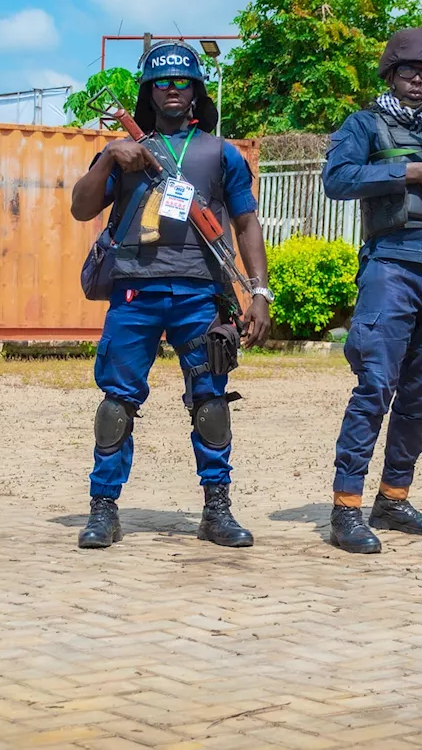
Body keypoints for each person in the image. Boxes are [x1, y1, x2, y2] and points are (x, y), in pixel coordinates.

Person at [68, 40, 271, 550]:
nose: (173, 90)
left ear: (197, 89)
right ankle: (103, 508)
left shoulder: (221, 153)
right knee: (116, 403)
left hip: (201, 292)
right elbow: (80, 207)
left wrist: (260, 291)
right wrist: (109, 158)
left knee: (211, 402)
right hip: (135, 289)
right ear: (147, 91)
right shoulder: (126, 150)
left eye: (183, 81)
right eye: (162, 82)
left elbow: (246, 222)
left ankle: (217, 508)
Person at [321, 27, 422, 554]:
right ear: (390, 74)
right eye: (408, 70)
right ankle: (346, 508)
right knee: (374, 385)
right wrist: (410, 172)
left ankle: (393, 497)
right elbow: (337, 179)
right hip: (391, 266)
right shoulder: (364, 124)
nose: (418, 78)